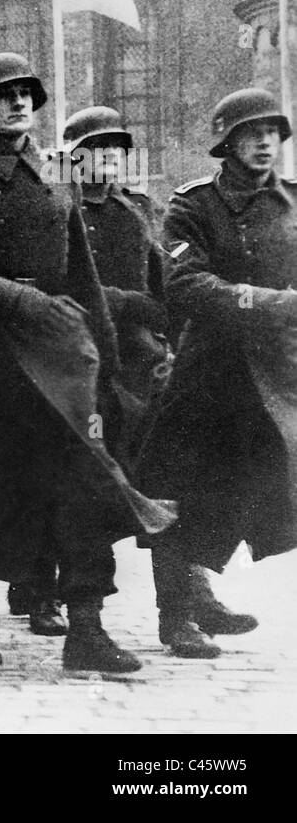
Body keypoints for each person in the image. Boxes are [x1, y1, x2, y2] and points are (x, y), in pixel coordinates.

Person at [0, 52, 175, 673]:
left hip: (56, 361)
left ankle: (86, 626)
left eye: (27, 93)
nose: (20, 102)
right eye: (5, 94)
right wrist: (17, 296)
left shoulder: (56, 176)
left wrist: (103, 365)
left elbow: (81, 272)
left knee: (81, 483)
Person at [136, 88, 297, 658]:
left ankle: (197, 591)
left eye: (274, 132)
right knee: (180, 490)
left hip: (277, 376)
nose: (265, 143)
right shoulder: (193, 205)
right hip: (209, 374)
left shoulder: (292, 204)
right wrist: (265, 301)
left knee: (249, 488)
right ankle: (175, 614)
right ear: (227, 142)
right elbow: (185, 284)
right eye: (253, 133)